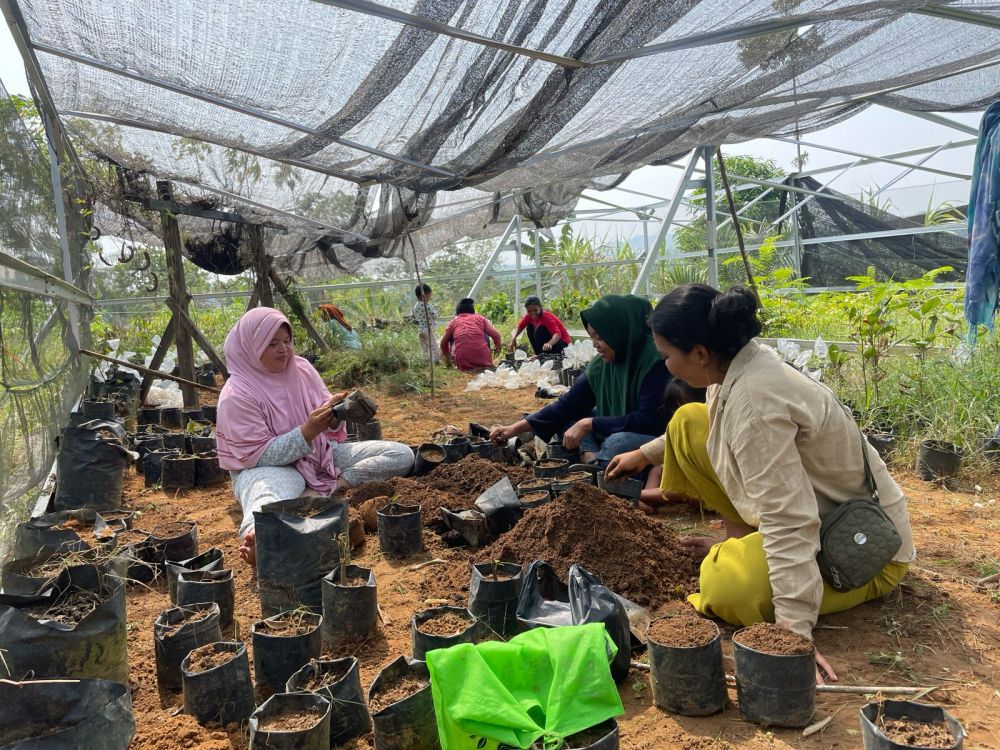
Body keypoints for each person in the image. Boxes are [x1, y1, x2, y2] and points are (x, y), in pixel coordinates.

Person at [605, 283, 915, 683]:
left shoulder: (755, 405)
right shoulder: (733, 366)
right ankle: (746, 547)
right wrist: (645, 454)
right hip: (821, 512)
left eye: (666, 355)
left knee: (727, 587)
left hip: (861, 547)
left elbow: (790, 519)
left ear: (699, 353)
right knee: (686, 423)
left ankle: (742, 557)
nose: (665, 366)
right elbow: (713, 426)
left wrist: (793, 633)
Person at [216, 307, 414, 565]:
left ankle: (335, 488)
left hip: (320, 456)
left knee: (401, 454)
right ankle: (260, 536)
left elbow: (325, 423)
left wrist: (334, 413)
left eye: (287, 341)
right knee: (267, 493)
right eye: (272, 343)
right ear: (251, 347)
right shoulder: (237, 395)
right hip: (270, 469)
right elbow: (258, 456)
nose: (284, 349)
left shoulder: (302, 369)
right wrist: (307, 432)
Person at [489, 294, 671, 464]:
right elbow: (567, 405)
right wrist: (514, 428)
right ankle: (591, 457)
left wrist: (589, 424)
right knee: (569, 418)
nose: (595, 344)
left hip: (651, 439)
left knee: (618, 442)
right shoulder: (601, 365)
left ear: (620, 332)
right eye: (592, 337)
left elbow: (649, 421)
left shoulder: (655, 361)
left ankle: (600, 464)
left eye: (601, 337)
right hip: (614, 430)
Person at [440, 298, 503, 372]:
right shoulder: (480, 318)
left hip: (463, 363)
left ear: (457, 313)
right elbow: (496, 336)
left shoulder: (454, 322)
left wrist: (448, 359)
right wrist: (497, 352)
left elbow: (443, 343)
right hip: (484, 360)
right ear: (473, 311)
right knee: (484, 336)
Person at [413, 283, 440, 363]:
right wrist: (436, 312)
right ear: (425, 295)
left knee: (424, 347)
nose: (430, 297)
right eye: (429, 295)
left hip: (421, 330)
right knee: (433, 346)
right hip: (429, 329)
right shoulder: (427, 305)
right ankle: (436, 361)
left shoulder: (416, 306)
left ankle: (426, 360)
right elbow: (434, 316)